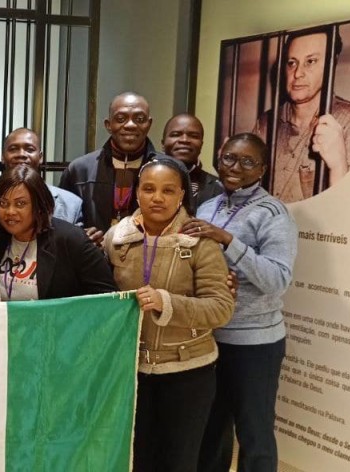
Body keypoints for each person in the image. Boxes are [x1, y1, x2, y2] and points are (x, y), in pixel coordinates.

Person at [100, 156, 234, 472]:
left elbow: (221, 308)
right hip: (131, 371)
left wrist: (166, 302)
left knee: (178, 461)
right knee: (136, 460)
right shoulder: (116, 238)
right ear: (136, 193)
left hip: (187, 372)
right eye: (148, 189)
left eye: (168, 190)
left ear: (181, 195)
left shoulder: (200, 243)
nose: (157, 198)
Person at [187, 134, 297, 472]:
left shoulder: (273, 213)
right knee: (211, 429)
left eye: (248, 162)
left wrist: (228, 241)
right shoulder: (208, 206)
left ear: (262, 169)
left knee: (254, 434)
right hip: (211, 337)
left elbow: (277, 279)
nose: (236, 167)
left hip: (254, 343)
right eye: (229, 158)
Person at [254, 27, 350, 203]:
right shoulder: (267, 121)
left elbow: (349, 205)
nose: (297, 73)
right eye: (292, 63)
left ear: (332, 63)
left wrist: (338, 165)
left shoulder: (346, 118)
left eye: (310, 61)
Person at [0, 165, 117, 301]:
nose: (10, 211)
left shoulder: (71, 239)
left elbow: (109, 299)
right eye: (3, 203)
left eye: (20, 204)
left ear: (39, 206)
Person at [60, 92, 168, 244]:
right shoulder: (79, 169)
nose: (130, 125)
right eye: (121, 119)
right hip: (92, 257)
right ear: (108, 125)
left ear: (149, 124)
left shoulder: (170, 170)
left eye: (139, 119)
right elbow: (62, 224)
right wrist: (82, 239)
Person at [0, 128, 83, 224]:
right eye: (13, 149)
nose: (21, 154)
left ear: (40, 157)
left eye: (30, 149)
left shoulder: (71, 204)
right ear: (3, 157)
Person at [162, 113, 222, 206]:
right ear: (163, 144)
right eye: (176, 134)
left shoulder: (219, 188)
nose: (184, 140)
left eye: (193, 136)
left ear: (201, 145)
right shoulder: (143, 178)